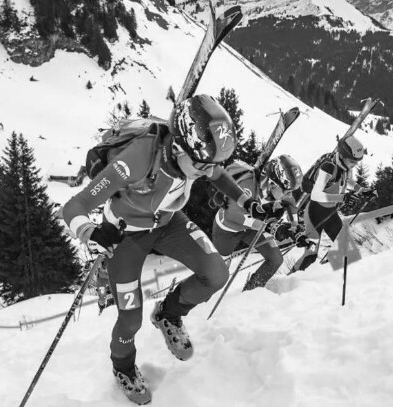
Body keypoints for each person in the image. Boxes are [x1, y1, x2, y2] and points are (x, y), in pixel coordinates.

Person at [62, 94, 271, 405]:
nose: (207, 172)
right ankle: (123, 367)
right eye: (201, 165)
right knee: (130, 320)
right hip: (126, 235)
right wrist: (90, 232)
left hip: (169, 222)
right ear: (178, 148)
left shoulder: (197, 156)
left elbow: (217, 173)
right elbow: (74, 206)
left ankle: (168, 314)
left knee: (216, 273)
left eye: (211, 164)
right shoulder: (136, 159)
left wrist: (245, 200)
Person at [212, 155, 307, 290]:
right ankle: (203, 296)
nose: (289, 194)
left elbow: (290, 204)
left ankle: (251, 291)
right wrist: (269, 227)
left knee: (275, 259)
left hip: (253, 227)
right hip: (228, 228)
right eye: (286, 191)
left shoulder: (276, 190)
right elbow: (233, 215)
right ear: (272, 184)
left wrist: (295, 228)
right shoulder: (247, 186)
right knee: (217, 273)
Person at [292, 136, 376, 272]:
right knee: (311, 254)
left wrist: (361, 190)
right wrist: (343, 197)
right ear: (342, 156)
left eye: (357, 162)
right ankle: (290, 280)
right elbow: (315, 195)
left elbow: (348, 180)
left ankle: (330, 278)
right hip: (314, 213)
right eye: (352, 161)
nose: (354, 164)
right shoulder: (328, 167)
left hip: (330, 213)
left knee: (345, 250)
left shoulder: (345, 166)